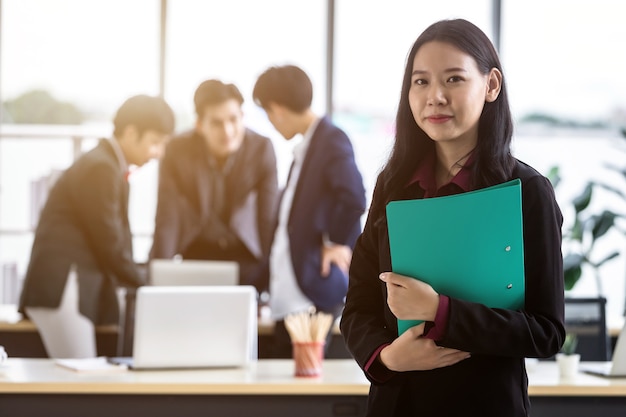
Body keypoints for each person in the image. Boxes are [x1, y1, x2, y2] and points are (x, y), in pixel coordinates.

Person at [340, 19, 565, 417]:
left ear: (491, 85)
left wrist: (441, 311)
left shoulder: (527, 191)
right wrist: (388, 358)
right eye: (421, 82)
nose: (435, 97)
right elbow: (358, 306)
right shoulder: (393, 186)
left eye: (454, 79)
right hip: (397, 403)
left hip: (485, 404)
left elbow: (546, 331)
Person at [19, 94, 175, 358]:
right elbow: (110, 245)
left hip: (69, 288)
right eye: (155, 142)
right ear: (130, 132)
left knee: (83, 381)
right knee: (81, 382)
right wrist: (148, 285)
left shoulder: (106, 163)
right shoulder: (101, 169)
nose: (158, 153)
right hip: (61, 289)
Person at [253, 65, 367, 357]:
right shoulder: (308, 147)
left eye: (267, 114)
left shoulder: (331, 140)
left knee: (298, 389)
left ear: (277, 109)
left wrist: (337, 243)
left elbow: (354, 197)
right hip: (291, 298)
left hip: (309, 295)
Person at [150, 79, 279, 292]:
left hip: (246, 255)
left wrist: (272, 281)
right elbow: (167, 217)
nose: (228, 131)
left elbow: (267, 218)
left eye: (233, 120)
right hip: (197, 253)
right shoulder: (177, 150)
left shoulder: (262, 149)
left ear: (243, 117)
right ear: (199, 125)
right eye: (216, 123)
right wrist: (158, 281)